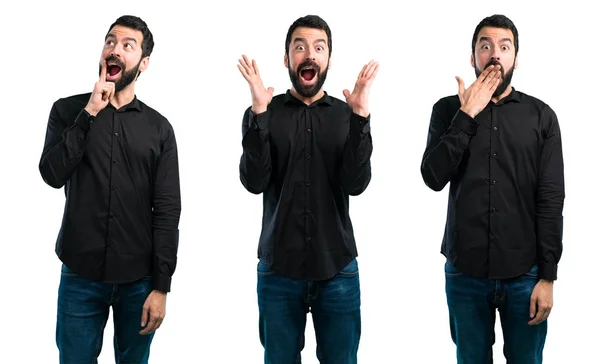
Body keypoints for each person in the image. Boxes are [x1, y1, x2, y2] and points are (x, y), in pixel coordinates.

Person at [421, 14, 565, 363]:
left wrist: (548, 277)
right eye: (485, 46)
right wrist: (466, 116)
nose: (495, 54)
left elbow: (550, 199)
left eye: (504, 46)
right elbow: (432, 177)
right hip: (465, 272)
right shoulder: (447, 110)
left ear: (516, 57)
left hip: (525, 274)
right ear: (473, 57)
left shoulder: (541, 116)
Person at [39, 15, 181, 364]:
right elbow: (52, 174)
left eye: (127, 45)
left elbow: (166, 210)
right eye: (110, 41)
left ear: (143, 63)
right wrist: (89, 112)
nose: (115, 50)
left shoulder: (159, 129)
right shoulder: (68, 110)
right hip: (79, 274)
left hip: (139, 281)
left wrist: (161, 286)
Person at [237, 14, 378, 364]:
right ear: (287, 59)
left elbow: (356, 185)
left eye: (319, 47)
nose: (309, 54)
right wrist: (258, 114)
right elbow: (253, 182)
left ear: (328, 59)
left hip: (338, 270)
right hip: (278, 271)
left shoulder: (348, 115)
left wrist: (361, 120)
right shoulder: (264, 112)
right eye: (299, 47)